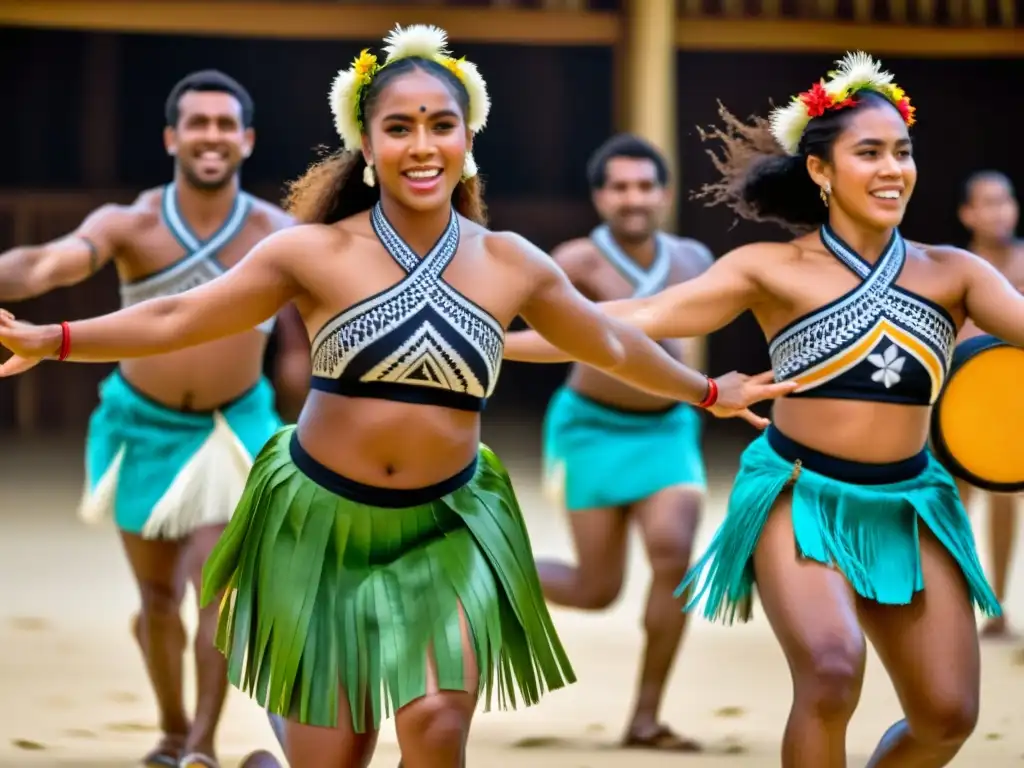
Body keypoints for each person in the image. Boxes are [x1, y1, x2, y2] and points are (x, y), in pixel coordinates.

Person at [0, 25, 793, 768]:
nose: (422, 145)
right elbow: (176, 315)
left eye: (441, 125)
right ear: (368, 146)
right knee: (339, 749)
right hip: (320, 525)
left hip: (448, 525)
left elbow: (611, 342)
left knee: (438, 727)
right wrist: (52, 339)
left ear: (468, 141)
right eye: (400, 128)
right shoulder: (309, 253)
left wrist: (705, 389)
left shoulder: (509, 261)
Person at [504, 52, 1016, 767]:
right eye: (868, 152)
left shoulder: (957, 274)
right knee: (832, 672)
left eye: (903, 152)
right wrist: (491, 340)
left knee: (947, 716)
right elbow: (630, 319)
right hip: (797, 494)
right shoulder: (769, 270)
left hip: (911, 502)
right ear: (821, 170)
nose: (893, 168)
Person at [0, 69, 309, 768]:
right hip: (141, 427)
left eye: (226, 124)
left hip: (236, 430)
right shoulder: (129, 223)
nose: (211, 136)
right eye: (197, 123)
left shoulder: (276, 232)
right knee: (158, 600)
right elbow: (48, 263)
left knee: (217, 590)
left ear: (248, 139)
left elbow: (312, 321)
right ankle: (172, 732)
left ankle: (200, 745)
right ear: (172, 136)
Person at [537, 132, 712, 751]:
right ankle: (488, 573)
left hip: (667, 431)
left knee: (673, 550)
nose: (633, 198)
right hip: (591, 429)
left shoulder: (693, 258)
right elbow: (543, 331)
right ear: (600, 196)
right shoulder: (576, 260)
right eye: (620, 187)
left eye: (645, 185)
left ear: (664, 193)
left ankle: (645, 715)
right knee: (597, 588)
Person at [954, 170, 1022, 639]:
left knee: (1007, 498)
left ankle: (997, 604)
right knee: (956, 501)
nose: (998, 210)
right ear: (967, 213)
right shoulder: (958, 267)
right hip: (962, 403)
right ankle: (956, 601)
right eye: (987, 202)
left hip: (1014, 402)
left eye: (1005, 201)